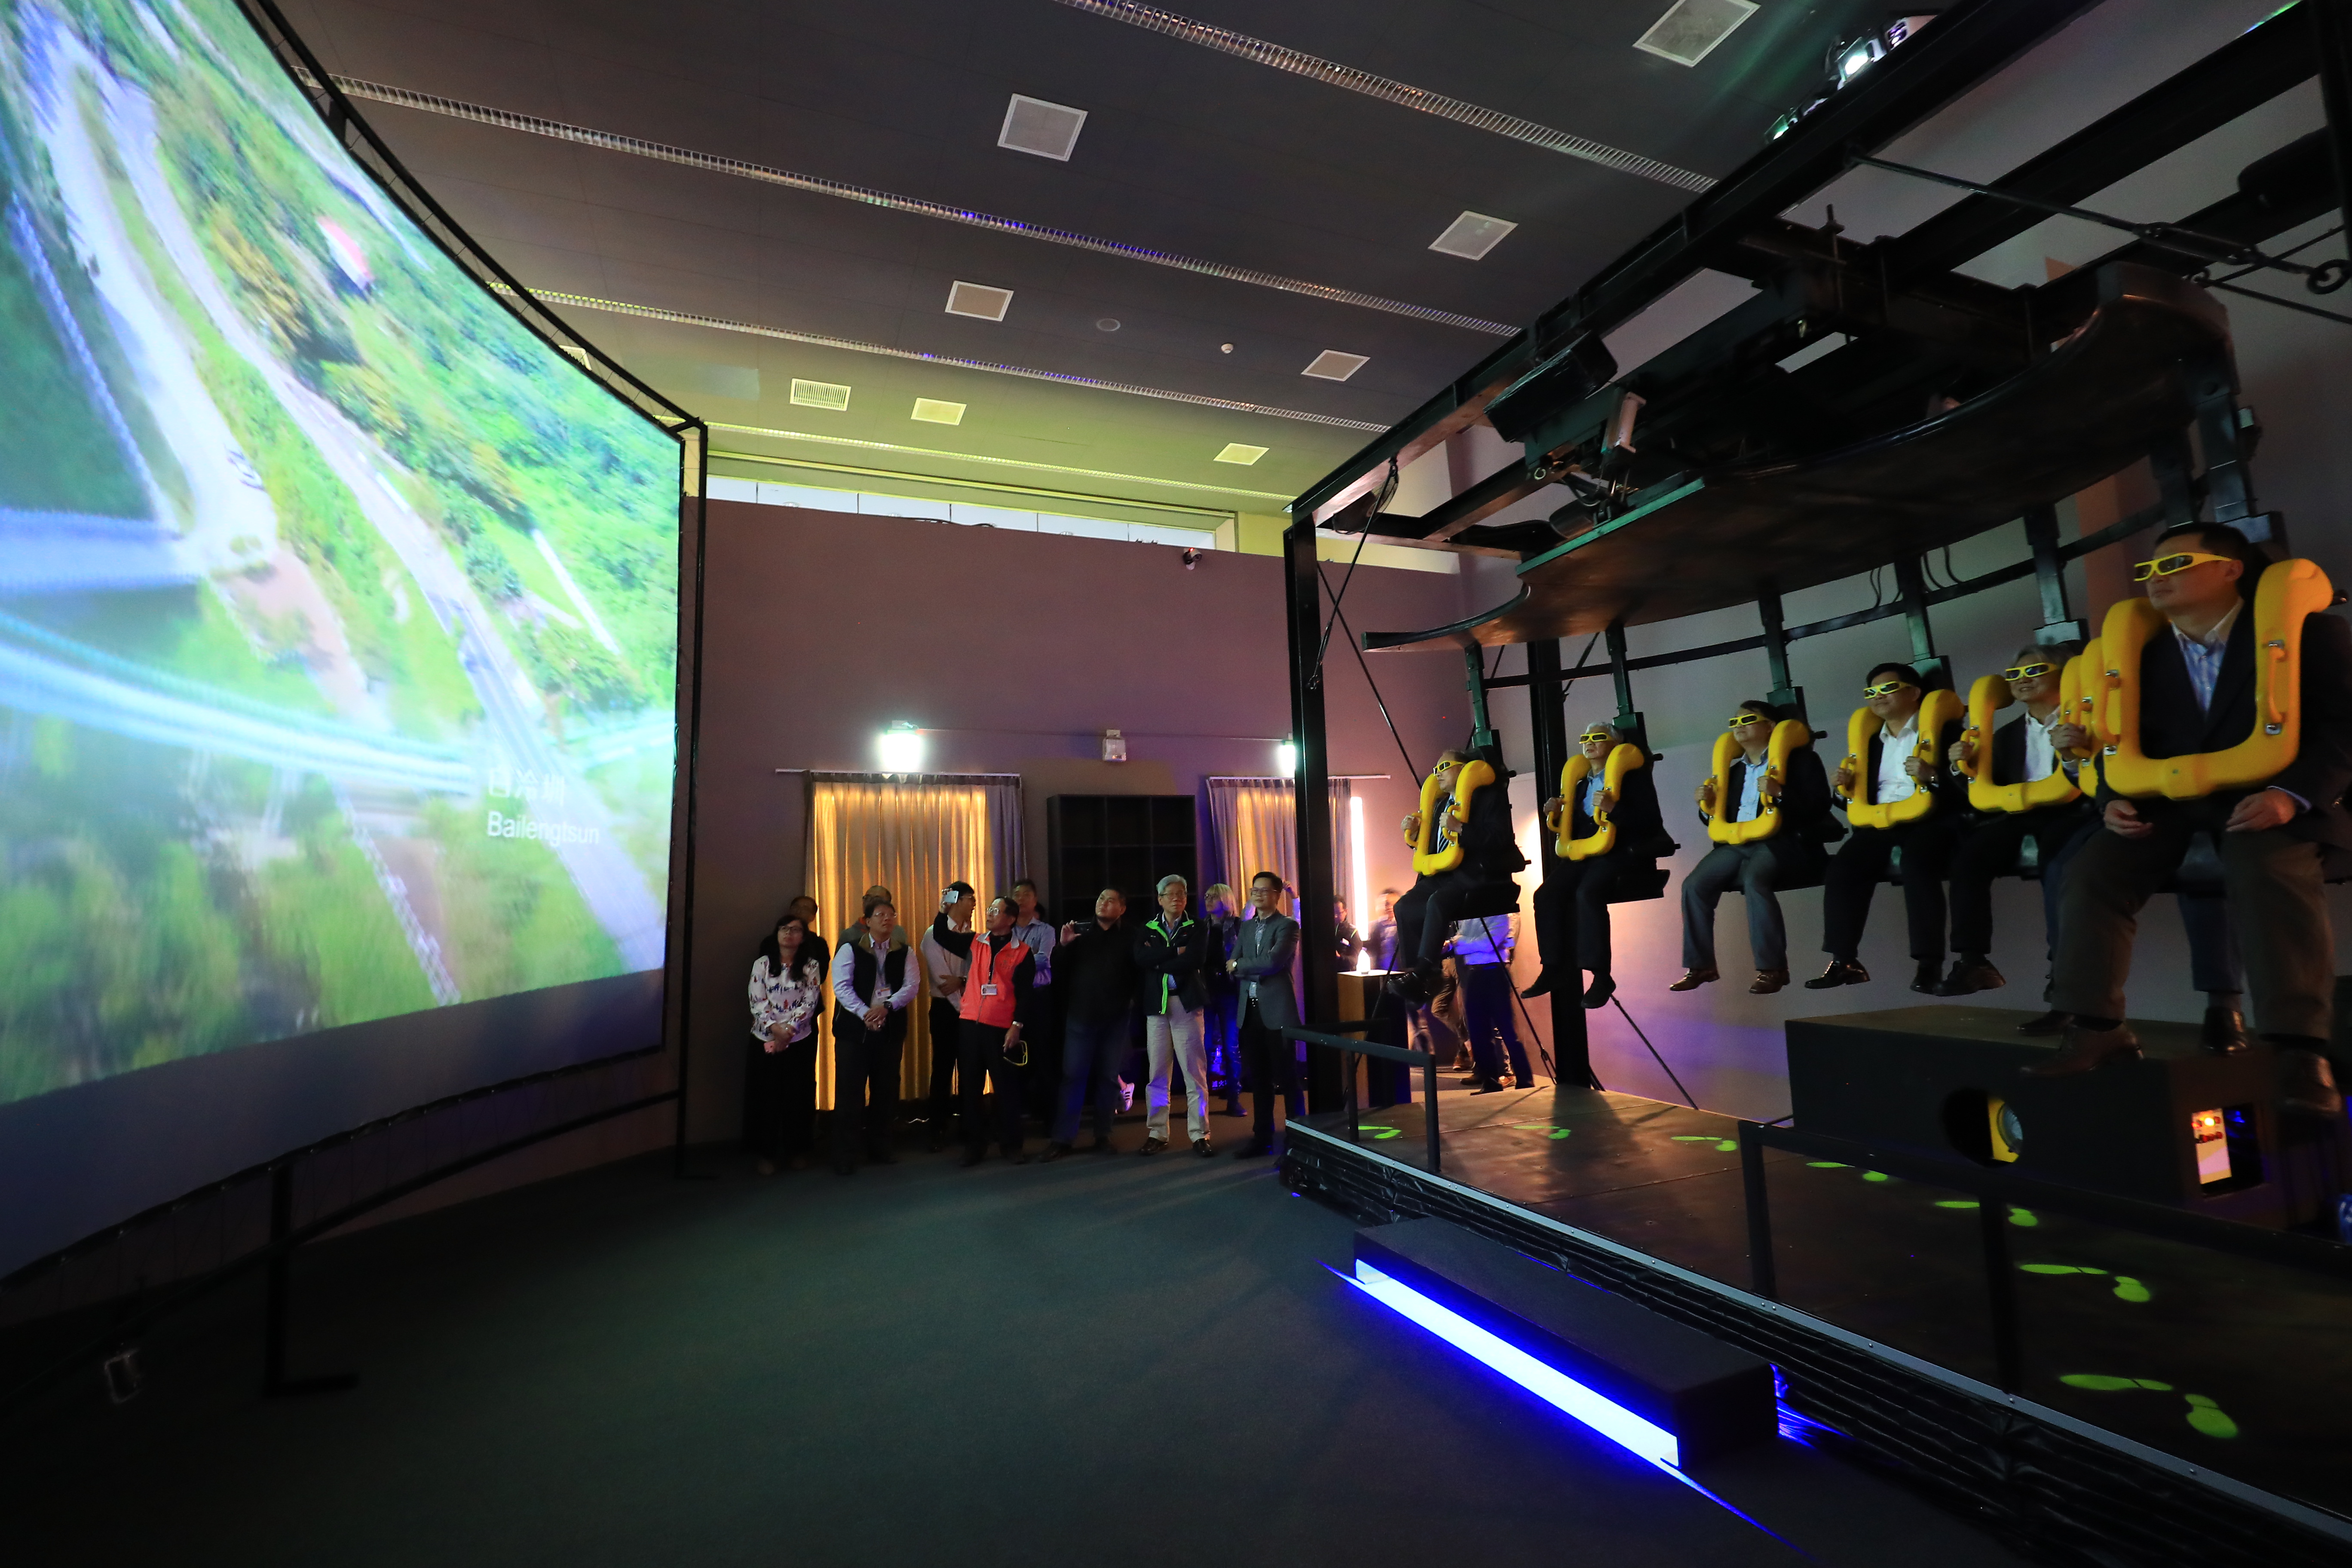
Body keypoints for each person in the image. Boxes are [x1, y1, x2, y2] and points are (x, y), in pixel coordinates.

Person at [2041, 524, 2352, 1115]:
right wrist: (2110, 799)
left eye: (2175, 565)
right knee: (2091, 869)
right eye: (2149, 571)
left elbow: (2343, 727)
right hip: (2169, 801)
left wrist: (2290, 795)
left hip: (2268, 795)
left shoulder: (2308, 633)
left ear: (2231, 570)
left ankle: (2299, 1049)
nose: (2156, 579)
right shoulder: (2142, 653)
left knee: (2271, 867)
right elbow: (2119, 742)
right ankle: (2096, 1028)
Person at [1938, 648, 2095, 997]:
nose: (2022, 680)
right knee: (1969, 858)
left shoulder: (2089, 720)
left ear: (2065, 675)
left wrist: (2073, 755)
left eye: (2035, 671)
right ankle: (1973, 961)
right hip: (2018, 813)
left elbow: (2103, 775)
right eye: (2014, 675)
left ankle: (2064, 968)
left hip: (2072, 812)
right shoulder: (2005, 735)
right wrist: (1960, 767)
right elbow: (1980, 792)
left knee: (2058, 863)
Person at [1807, 663, 1967, 992]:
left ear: (1914, 692)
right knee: (1842, 868)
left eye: (1888, 689)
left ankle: (1929, 964)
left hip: (1932, 821)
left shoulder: (1947, 730)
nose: (1878, 697)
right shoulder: (1870, 742)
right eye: (1871, 692)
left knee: (1917, 864)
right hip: (1880, 823)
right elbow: (1851, 803)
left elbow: (1969, 790)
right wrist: (1843, 791)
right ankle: (1843, 962)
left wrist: (1933, 776)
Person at [1674, 700, 1838, 993]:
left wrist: (1781, 793)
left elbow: (1818, 807)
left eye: (1748, 720)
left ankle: (1772, 969)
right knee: (1693, 885)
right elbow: (1718, 818)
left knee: (1755, 880)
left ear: (1770, 727)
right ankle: (1701, 966)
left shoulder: (1802, 761)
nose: (1739, 727)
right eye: (1735, 723)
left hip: (1781, 841)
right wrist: (1706, 807)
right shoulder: (1734, 771)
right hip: (1736, 843)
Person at [1525, 722, 1667, 1009]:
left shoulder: (1633, 779)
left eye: (1598, 738)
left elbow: (1650, 822)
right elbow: (1576, 827)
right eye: (1585, 738)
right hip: (1587, 851)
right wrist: (1558, 816)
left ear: (1615, 745)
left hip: (1620, 851)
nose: (1589, 743)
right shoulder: (1581, 785)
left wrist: (1615, 810)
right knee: (1546, 895)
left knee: (1588, 893)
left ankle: (1601, 975)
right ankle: (1553, 967)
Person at [1389, 750, 1527, 1002]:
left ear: (1464, 769)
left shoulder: (1488, 799)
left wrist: (1461, 829)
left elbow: (1499, 839)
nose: (1438, 774)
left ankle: (1424, 971)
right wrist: (1415, 836)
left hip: (1476, 875)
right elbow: (1435, 845)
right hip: (1442, 875)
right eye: (1435, 770)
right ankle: (1419, 974)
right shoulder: (1440, 804)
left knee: (1438, 903)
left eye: (1444, 767)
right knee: (1405, 906)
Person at [827, 895, 919, 1173]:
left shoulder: (905, 951)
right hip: (854, 1033)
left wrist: (886, 1007)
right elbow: (841, 987)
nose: (887, 919)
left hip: (889, 1031)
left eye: (891, 915)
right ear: (867, 922)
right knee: (850, 1094)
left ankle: (881, 1148)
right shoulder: (850, 949)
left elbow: (911, 986)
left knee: (886, 1093)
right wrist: (866, 1013)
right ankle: (845, 1154)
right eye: (880, 915)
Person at [1045, 888, 1138, 1159]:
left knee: (1108, 1078)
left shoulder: (1132, 935)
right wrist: (1063, 946)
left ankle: (1103, 1135)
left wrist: (1132, 1001)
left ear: (1122, 909)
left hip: (1116, 1018)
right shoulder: (1080, 931)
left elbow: (1139, 972)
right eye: (1100, 899)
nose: (1103, 903)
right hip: (1081, 1015)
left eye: (1110, 901)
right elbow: (1058, 971)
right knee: (1073, 1077)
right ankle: (1063, 1139)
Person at [1133, 873, 1214, 1156]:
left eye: (1182, 894)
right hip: (1157, 1006)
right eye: (1171, 894)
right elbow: (1140, 959)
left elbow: (1195, 959)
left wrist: (1158, 959)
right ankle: (1157, 1132)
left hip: (1187, 1004)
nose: (1177, 899)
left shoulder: (1198, 926)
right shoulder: (1148, 927)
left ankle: (1200, 1134)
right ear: (1160, 899)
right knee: (1157, 1073)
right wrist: (1174, 952)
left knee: (1194, 1072)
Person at [956, 895, 1037, 1166]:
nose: (989, 914)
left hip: (1002, 1028)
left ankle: (1012, 1145)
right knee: (970, 1088)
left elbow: (1026, 995)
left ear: (1011, 919)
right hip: (970, 1024)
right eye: (989, 909)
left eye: (996, 911)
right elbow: (943, 935)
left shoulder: (1022, 952)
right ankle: (974, 1146)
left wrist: (1017, 1026)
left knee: (1007, 1089)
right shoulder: (975, 941)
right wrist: (948, 906)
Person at [1227, 871, 1300, 1158]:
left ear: (1277, 895)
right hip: (1250, 1011)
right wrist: (1243, 966)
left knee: (1288, 1079)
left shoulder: (1288, 926)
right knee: (1259, 1080)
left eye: (1264, 890)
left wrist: (1242, 966)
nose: (1257, 895)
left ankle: (1298, 1139)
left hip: (1278, 1012)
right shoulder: (1246, 927)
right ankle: (1262, 1138)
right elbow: (1231, 962)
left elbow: (1273, 962)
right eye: (1254, 890)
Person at [746, 910, 825, 1173]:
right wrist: (774, 1029)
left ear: (803, 937)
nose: (789, 934)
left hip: (799, 1039)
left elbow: (810, 1001)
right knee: (766, 1098)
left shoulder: (811, 966)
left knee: (797, 1098)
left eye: (795, 930)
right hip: (764, 1039)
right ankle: (765, 1154)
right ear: (777, 934)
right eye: (784, 929)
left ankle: (797, 1151)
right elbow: (757, 1000)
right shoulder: (762, 964)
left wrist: (789, 1030)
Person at [918, 883, 977, 1152]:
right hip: (946, 1010)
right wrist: (964, 1006)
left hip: (971, 1009)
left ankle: (969, 1126)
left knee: (970, 1069)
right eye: (970, 899)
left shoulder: (973, 935)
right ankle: (937, 1128)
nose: (974, 904)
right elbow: (943, 981)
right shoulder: (933, 933)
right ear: (955, 901)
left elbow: (976, 975)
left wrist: (963, 982)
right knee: (942, 1069)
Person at [1451, 913, 1533, 1091]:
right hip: (1474, 973)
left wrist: (1462, 942)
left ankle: (1525, 1080)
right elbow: (1467, 941)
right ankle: (1490, 1083)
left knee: (1507, 1030)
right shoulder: (1469, 915)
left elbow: (1488, 944)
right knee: (1478, 1033)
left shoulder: (1502, 914)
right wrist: (1467, 942)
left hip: (1496, 972)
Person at [1009, 879, 1061, 1120]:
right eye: (1017, 895)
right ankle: (1016, 1114)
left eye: (1026, 895)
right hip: (1011, 999)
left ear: (1035, 900)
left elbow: (1044, 960)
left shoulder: (1046, 930)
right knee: (1012, 1058)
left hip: (1039, 999)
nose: (1021, 899)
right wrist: (1026, 960)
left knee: (1042, 1057)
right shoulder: (1006, 929)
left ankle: (1048, 1117)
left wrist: (1013, 963)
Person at [1199, 883, 1246, 1117]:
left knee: (1231, 1048)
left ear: (1225, 900)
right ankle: (1201, 1102)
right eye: (1207, 896)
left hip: (1229, 993)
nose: (1208, 899)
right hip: (1206, 993)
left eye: (1214, 896)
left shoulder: (1238, 926)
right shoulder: (1201, 927)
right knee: (1204, 1048)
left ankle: (1234, 1098)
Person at [1368, 889, 1400, 971]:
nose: (1389, 907)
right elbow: (1372, 947)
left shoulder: (1401, 924)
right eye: (1387, 904)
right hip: (1381, 968)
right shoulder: (1377, 926)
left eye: (1392, 904)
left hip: (1399, 967)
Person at [1333, 898, 1363, 968]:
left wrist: (1339, 957)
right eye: (1333, 913)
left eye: (1338, 913)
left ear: (1346, 911)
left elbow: (1354, 961)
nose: (1335, 916)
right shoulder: (1325, 930)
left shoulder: (1353, 932)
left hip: (1345, 973)